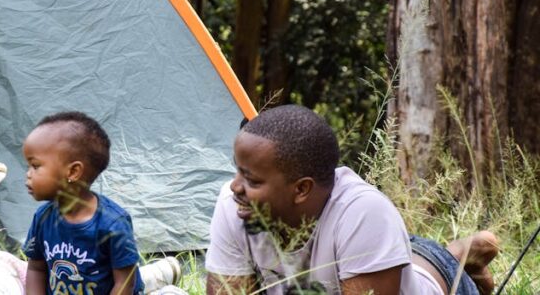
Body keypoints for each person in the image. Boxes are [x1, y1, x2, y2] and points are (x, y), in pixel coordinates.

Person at [205, 104, 500, 295]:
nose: (235, 187)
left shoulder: (364, 213)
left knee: (425, 266)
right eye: (238, 172)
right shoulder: (235, 205)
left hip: (437, 280)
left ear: (301, 189)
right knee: (395, 253)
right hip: (376, 254)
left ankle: (460, 257)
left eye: (252, 180)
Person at [21, 111, 145, 295]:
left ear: (72, 172)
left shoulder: (113, 224)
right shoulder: (42, 218)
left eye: (36, 166)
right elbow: (36, 269)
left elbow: (125, 282)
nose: (28, 173)